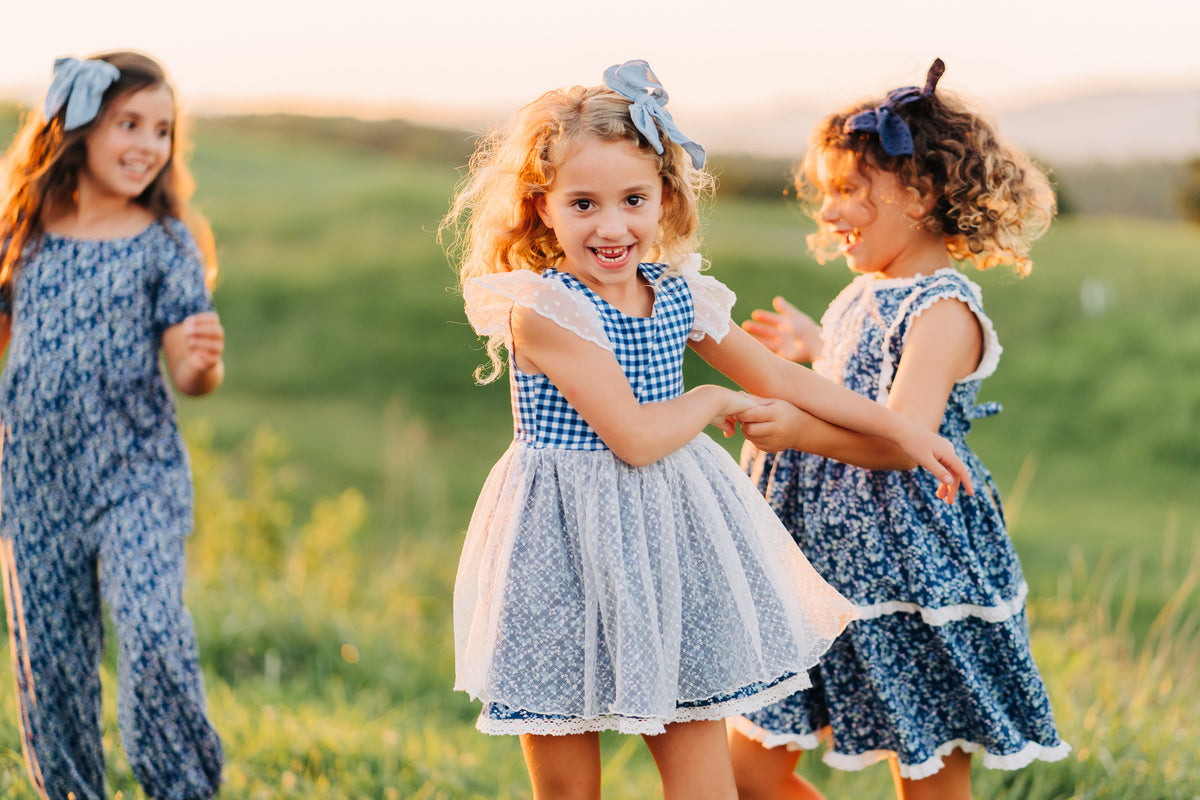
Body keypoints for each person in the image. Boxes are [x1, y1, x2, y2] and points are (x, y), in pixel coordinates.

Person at [442, 59, 976, 800]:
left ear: (663, 198)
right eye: (584, 203)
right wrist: (713, 404)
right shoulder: (545, 310)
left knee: (703, 775)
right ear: (542, 208)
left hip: (668, 543)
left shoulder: (676, 293)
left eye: (633, 199)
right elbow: (632, 435)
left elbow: (787, 379)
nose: (612, 225)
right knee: (568, 786)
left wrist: (907, 433)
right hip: (562, 545)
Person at [728, 59, 1070, 800]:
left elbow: (902, 435)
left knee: (927, 768)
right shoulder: (869, 291)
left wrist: (800, 427)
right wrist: (817, 350)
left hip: (908, 566)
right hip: (818, 556)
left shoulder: (944, 310)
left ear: (920, 194)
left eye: (849, 191)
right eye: (827, 193)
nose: (828, 211)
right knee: (746, 765)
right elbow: (866, 388)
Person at [0, 52, 224, 800]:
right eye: (128, 123)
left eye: (162, 130)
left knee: (154, 634)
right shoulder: (23, 233)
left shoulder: (165, 242)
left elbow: (192, 376)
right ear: (76, 128)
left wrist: (199, 363)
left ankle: (184, 788)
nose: (147, 145)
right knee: (53, 663)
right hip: (35, 484)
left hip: (135, 476)